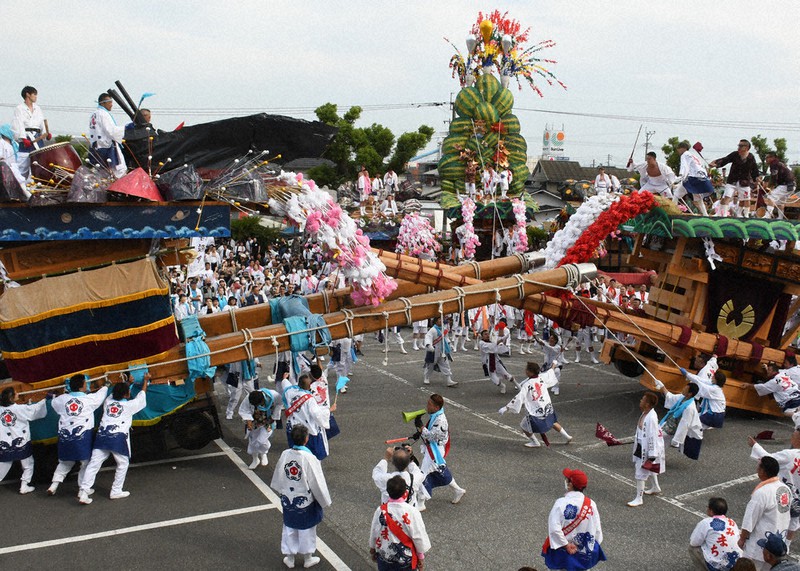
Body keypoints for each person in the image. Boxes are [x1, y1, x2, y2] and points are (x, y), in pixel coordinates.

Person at [78, 375, 149, 504]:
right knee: (123, 464)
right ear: (127, 395)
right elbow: (141, 396)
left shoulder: (108, 401)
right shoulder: (129, 406)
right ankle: (116, 491)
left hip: (102, 436)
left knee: (93, 464)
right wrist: (145, 381)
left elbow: (119, 392)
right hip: (118, 438)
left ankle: (83, 491)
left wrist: (127, 383)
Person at [271, 424, 331, 569]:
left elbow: (279, 475)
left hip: (288, 497)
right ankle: (308, 557)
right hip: (305, 499)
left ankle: (289, 557)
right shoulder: (310, 458)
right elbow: (317, 482)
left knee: (289, 526)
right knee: (307, 528)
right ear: (306, 439)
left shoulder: (285, 454)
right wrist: (324, 500)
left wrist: (282, 490)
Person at [48, 374, 110, 496]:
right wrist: (106, 385)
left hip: (65, 436)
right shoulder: (88, 400)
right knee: (86, 462)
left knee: (65, 462)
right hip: (82, 436)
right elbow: (100, 396)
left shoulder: (62, 399)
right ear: (82, 386)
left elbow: (53, 402)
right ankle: (82, 488)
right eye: (86, 383)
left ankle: (53, 485)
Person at [542, 468, 605, 570]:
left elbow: (554, 529)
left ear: (570, 484)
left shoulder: (561, 503)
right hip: (582, 554)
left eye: (567, 479)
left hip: (562, 553)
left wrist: (566, 545)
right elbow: (597, 531)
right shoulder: (591, 504)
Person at [499, 362, 572, 448]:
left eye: (527, 369)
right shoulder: (542, 377)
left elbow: (519, 397)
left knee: (524, 425)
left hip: (534, 410)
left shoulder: (527, 384)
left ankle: (535, 442)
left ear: (530, 372)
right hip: (546, 406)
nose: (525, 370)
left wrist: (506, 407)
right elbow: (550, 372)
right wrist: (553, 364)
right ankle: (567, 436)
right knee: (552, 422)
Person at [738, 456, 792, 570]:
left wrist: (742, 538)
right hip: (777, 545)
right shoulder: (785, 489)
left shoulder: (762, 492)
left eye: (758, 467)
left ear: (763, 471)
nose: (757, 470)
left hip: (759, 546)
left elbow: (750, 519)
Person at [748, 423, 800, 542]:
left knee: (776, 521)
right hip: (798, 498)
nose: (792, 436)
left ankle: (771, 546)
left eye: (794, 434)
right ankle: (785, 546)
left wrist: (755, 446)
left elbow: (769, 459)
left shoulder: (790, 455)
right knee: (793, 523)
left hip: (784, 494)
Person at [370, 474, 431, 571]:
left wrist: (372, 548)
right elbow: (418, 535)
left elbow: (374, 531)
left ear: (388, 492)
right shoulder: (412, 511)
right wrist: (420, 556)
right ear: (405, 493)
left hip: (385, 556)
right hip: (405, 559)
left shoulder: (380, 510)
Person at [414, 394, 465, 504]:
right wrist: (419, 432)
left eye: (429, 404)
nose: (427, 406)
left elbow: (431, 436)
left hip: (435, 450)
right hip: (434, 448)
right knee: (440, 471)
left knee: (423, 474)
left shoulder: (440, 420)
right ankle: (458, 490)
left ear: (436, 407)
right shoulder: (436, 415)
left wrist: (421, 428)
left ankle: (420, 502)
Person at [0, 385, 47, 494]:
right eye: (16, 393)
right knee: (28, 464)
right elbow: (35, 410)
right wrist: (46, 399)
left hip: (5, 443)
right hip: (21, 442)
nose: (18, 394)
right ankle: (24, 485)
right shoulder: (20, 409)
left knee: (3, 465)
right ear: (12, 398)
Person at [627, 391, 665, 507]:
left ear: (647, 404)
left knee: (640, 471)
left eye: (642, 400)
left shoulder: (651, 418)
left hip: (648, 448)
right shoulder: (645, 413)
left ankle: (639, 498)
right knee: (649, 469)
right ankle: (655, 487)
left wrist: (652, 455)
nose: (640, 401)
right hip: (641, 445)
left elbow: (653, 436)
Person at [282, 374, 330, 461]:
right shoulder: (309, 399)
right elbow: (317, 414)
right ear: (309, 386)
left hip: (293, 430)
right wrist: (328, 411)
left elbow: (285, 385)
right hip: (307, 432)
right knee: (312, 457)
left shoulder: (290, 391)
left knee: (296, 454)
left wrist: (284, 379)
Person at [709, 139, 761, 218]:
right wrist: (715, 163)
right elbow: (725, 159)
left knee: (746, 199)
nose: (739, 147)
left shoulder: (751, 157)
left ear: (747, 148)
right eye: (738, 145)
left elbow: (754, 169)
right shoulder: (735, 154)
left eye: (741, 146)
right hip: (732, 180)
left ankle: (745, 215)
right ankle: (723, 214)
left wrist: (756, 178)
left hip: (744, 181)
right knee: (727, 196)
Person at [688, 497, 743, 571]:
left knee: (693, 548)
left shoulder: (706, 522)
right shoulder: (732, 522)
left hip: (717, 566)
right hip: (735, 564)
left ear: (711, 511)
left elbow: (694, 542)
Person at [654, 380, 703, 458]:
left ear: (690, 394)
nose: (683, 389)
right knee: (660, 444)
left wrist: (677, 439)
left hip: (673, 429)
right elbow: (671, 397)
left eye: (685, 389)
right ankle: (655, 460)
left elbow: (684, 425)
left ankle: (654, 460)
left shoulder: (690, 408)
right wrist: (662, 386)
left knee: (656, 440)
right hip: (670, 424)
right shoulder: (683, 397)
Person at [372, 445, 429, 511]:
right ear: (407, 462)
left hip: (389, 515)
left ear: (393, 462)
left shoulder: (386, 479)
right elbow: (418, 472)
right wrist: (410, 459)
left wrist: (386, 458)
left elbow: (376, 473)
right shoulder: (414, 479)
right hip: (408, 514)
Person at [239, 386, 283, 469]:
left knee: (260, 441)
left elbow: (280, 403)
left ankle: (264, 453)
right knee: (253, 440)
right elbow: (244, 410)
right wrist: (248, 421)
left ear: (262, 400)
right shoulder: (249, 397)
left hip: (267, 421)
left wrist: (274, 416)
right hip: (255, 421)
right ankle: (255, 459)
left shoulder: (274, 395)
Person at [11, 86, 49, 183]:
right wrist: (23, 138)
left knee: (38, 165)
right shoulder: (19, 108)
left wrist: (46, 133)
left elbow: (41, 122)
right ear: (28, 94)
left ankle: (35, 190)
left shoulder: (38, 108)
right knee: (22, 166)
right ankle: (18, 189)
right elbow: (18, 123)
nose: (36, 97)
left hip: (38, 138)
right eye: (34, 94)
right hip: (26, 138)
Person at [681, 355, 727, 429]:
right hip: (714, 413)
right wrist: (687, 374)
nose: (712, 377)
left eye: (713, 377)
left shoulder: (714, 390)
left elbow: (700, 384)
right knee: (693, 424)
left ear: (716, 380)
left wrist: (687, 375)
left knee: (693, 427)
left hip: (714, 415)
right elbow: (700, 379)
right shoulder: (714, 385)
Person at [88, 93, 127, 177]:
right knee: (117, 170)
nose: (111, 105)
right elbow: (111, 131)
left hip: (96, 146)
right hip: (105, 146)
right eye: (109, 102)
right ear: (103, 103)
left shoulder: (94, 114)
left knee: (100, 171)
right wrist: (126, 128)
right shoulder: (103, 114)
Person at [674, 141, 714, 216]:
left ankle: (673, 212)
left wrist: (680, 176)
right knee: (698, 198)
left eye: (678, 149)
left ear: (682, 148)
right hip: (702, 178)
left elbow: (684, 166)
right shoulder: (694, 155)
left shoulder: (684, 155)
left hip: (692, 178)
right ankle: (706, 215)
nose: (678, 151)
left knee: (676, 194)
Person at [422, 316, 457, 388]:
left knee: (446, 364)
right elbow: (428, 337)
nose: (441, 321)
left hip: (443, 350)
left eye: (441, 320)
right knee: (430, 365)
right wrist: (429, 345)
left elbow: (446, 338)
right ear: (435, 321)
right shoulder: (432, 330)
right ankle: (426, 377)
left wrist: (449, 344)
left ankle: (449, 380)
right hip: (434, 351)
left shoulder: (444, 329)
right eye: (439, 320)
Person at [479, 329, 514, 394]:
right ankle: (502, 386)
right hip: (488, 363)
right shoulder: (481, 343)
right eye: (485, 334)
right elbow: (491, 348)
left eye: (488, 334)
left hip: (496, 362)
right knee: (495, 380)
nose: (487, 335)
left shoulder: (491, 341)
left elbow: (499, 349)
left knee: (507, 375)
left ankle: (517, 385)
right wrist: (501, 340)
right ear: (482, 336)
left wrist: (504, 341)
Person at [764, 152, 796, 219]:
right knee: (780, 201)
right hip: (791, 185)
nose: (765, 159)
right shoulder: (780, 163)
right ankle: (780, 218)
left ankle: (767, 216)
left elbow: (774, 177)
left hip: (785, 185)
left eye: (767, 157)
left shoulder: (774, 164)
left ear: (772, 158)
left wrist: (770, 187)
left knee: (771, 197)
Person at [0, 123, 27, 191]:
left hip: (15, 166)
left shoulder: (15, 144)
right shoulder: (1, 143)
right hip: (6, 167)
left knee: (20, 180)